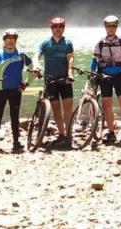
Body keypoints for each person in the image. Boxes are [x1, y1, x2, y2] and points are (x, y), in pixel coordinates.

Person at [0, 29, 33, 152]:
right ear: (4, 40)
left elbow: (32, 68)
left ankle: (16, 142)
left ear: (16, 41)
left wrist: (27, 83)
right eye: (8, 39)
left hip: (16, 91)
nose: (11, 41)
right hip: (0, 91)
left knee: (15, 117)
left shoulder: (22, 55)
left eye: (13, 39)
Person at [32, 17, 75, 149]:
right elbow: (36, 55)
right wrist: (36, 65)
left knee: (68, 109)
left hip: (65, 79)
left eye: (61, 26)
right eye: (55, 26)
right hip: (50, 80)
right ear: (51, 28)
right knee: (56, 109)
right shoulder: (45, 43)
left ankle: (69, 135)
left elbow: (71, 58)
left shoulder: (67, 42)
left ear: (63, 28)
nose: (58, 29)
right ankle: (61, 134)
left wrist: (70, 73)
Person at [91, 15, 121, 145]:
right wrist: (93, 75)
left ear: (116, 27)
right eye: (109, 26)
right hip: (105, 76)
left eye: (113, 26)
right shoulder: (100, 42)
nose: (111, 28)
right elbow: (94, 60)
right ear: (105, 27)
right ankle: (111, 132)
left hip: (120, 74)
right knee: (107, 104)